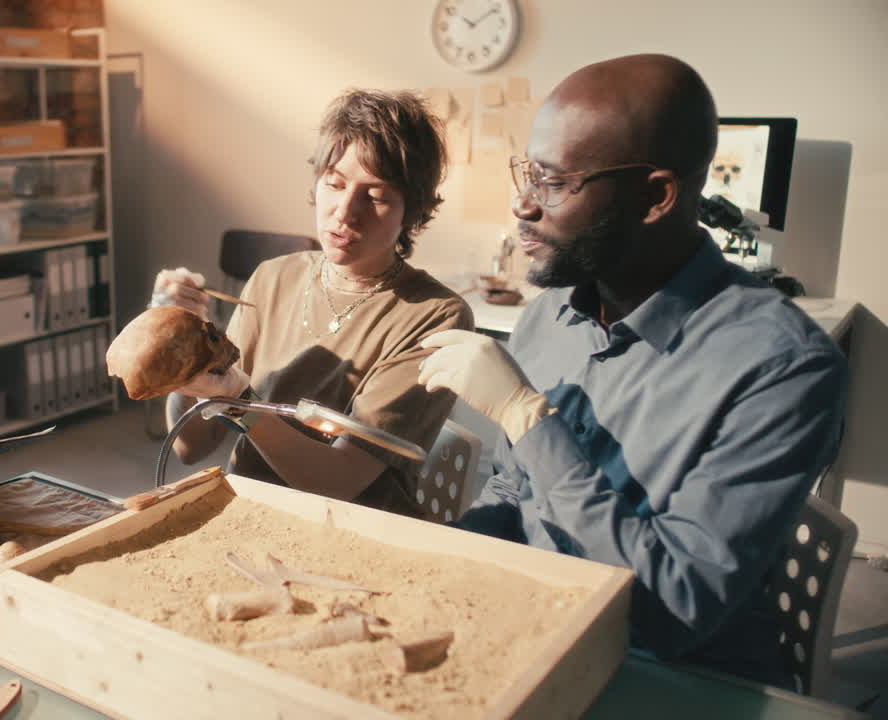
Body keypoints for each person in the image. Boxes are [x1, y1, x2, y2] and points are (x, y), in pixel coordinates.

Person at [417, 54, 849, 686]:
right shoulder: (548, 319)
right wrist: (444, 563)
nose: (522, 204)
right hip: (536, 637)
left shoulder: (786, 370)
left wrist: (527, 419)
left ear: (655, 197)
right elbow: (514, 491)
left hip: (672, 677)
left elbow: (672, 612)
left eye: (554, 182)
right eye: (527, 173)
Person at [151, 89, 474, 516]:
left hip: (357, 532)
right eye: (334, 183)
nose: (345, 212)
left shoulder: (435, 316)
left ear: (411, 211)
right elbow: (192, 446)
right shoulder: (272, 278)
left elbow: (338, 480)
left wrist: (237, 402)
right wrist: (183, 346)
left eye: (375, 196)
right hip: (255, 513)